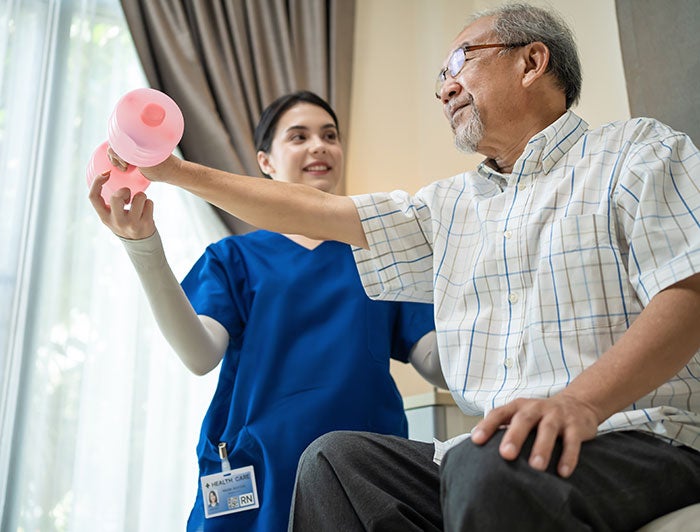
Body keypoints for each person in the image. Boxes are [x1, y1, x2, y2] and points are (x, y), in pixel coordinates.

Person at [102, 3, 700, 530]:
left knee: (484, 464)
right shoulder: (448, 208)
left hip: (626, 433)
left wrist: (580, 402)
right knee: (337, 463)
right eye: (440, 77)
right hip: (493, 452)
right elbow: (322, 214)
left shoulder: (637, 152)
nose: (444, 89)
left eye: (459, 63)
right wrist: (172, 171)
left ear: (532, 60)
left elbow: (690, 291)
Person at [88, 91, 441, 531]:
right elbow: (199, 355)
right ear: (265, 162)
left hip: (359, 473)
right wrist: (143, 246)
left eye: (329, 135)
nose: (319, 145)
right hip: (257, 472)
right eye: (299, 136)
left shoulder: (378, 252)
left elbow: (438, 363)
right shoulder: (235, 257)